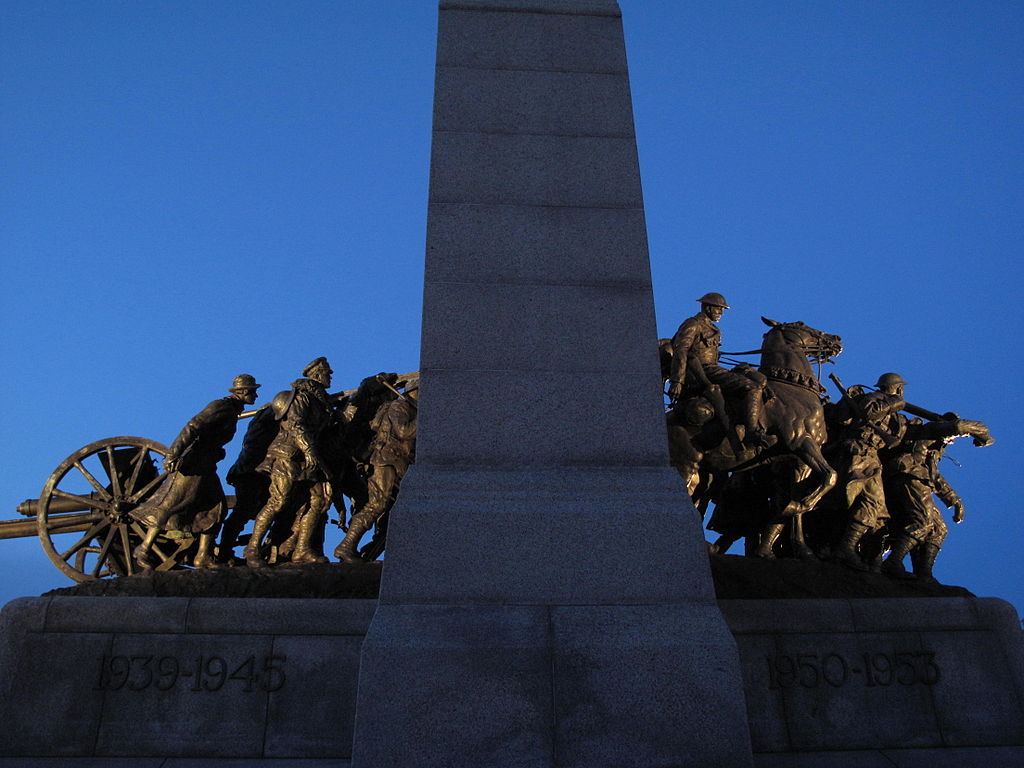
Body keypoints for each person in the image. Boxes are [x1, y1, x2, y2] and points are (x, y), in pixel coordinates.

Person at [131, 374, 260, 569]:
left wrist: (262, 410)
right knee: (172, 504)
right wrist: (173, 454)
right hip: (192, 465)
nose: (256, 396)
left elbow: (232, 421)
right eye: (253, 392)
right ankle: (144, 548)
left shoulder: (231, 410)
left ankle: (203, 556)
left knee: (216, 509)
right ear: (243, 392)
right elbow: (192, 426)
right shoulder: (221, 407)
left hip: (206, 464)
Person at [244, 357, 336, 568]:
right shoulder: (302, 398)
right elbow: (296, 426)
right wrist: (310, 452)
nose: (330, 376)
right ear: (317, 375)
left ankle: (302, 549)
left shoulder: (321, 402)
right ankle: (252, 549)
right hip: (289, 455)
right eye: (327, 372)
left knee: (320, 501)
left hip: (308, 459)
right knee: (278, 501)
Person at [880, 416, 993, 581]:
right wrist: (983, 434)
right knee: (923, 522)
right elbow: (959, 426)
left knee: (939, 529)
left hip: (920, 478)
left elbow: (935, 477)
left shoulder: (935, 448)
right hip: (908, 474)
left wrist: (954, 500)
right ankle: (893, 562)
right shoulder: (932, 430)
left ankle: (924, 574)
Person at [667, 292, 767, 447]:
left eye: (722, 309)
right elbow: (681, 350)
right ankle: (751, 432)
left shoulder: (714, 329)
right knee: (753, 388)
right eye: (719, 309)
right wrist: (677, 380)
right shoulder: (693, 324)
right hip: (700, 371)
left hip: (712, 369)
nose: (721, 313)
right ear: (707, 308)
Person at [334, 382, 417, 564]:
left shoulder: (411, 408)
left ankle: (368, 555)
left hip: (398, 465)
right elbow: (404, 431)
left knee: (391, 513)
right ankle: (346, 546)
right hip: (385, 461)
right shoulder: (400, 405)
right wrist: (425, 419)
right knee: (377, 505)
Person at [832, 372, 907, 570]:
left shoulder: (896, 414)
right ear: (898, 387)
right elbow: (868, 413)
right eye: (901, 388)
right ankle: (845, 548)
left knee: (879, 511)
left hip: (872, 457)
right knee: (871, 501)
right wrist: (894, 402)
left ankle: (867, 556)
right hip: (859, 453)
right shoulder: (874, 398)